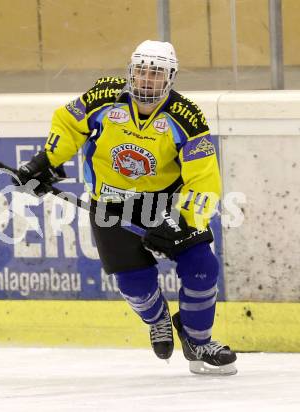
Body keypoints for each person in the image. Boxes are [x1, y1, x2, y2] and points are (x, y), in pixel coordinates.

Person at [13, 40, 237, 375]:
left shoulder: (186, 116)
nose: (147, 80)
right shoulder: (104, 96)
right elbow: (68, 123)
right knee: (134, 282)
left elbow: (204, 179)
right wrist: (45, 161)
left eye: (156, 74)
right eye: (141, 71)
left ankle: (198, 339)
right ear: (131, 72)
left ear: (170, 78)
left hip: (166, 204)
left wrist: (187, 219)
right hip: (111, 205)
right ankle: (158, 320)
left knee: (202, 265)